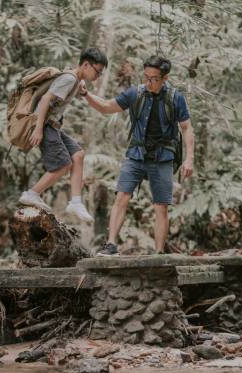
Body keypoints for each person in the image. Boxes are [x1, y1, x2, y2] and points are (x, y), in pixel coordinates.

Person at [80, 56, 195, 254]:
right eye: (146, 77)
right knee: (121, 196)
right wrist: (86, 94)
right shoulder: (136, 93)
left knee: (161, 206)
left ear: (165, 78)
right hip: (136, 154)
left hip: (163, 157)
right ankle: (111, 245)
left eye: (154, 79)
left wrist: (189, 158)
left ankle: (159, 252)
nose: (148, 82)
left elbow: (186, 128)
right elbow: (107, 106)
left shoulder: (176, 98)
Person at [19, 47, 108, 222]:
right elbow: (46, 99)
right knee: (62, 165)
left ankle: (75, 202)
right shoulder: (69, 79)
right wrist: (38, 129)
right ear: (86, 65)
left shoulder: (73, 78)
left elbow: (70, 75)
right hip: (45, 125)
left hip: (53, 126)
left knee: (78, 154)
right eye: (97, 71)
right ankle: (32, 194)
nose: (98, 75)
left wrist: (80, 86)